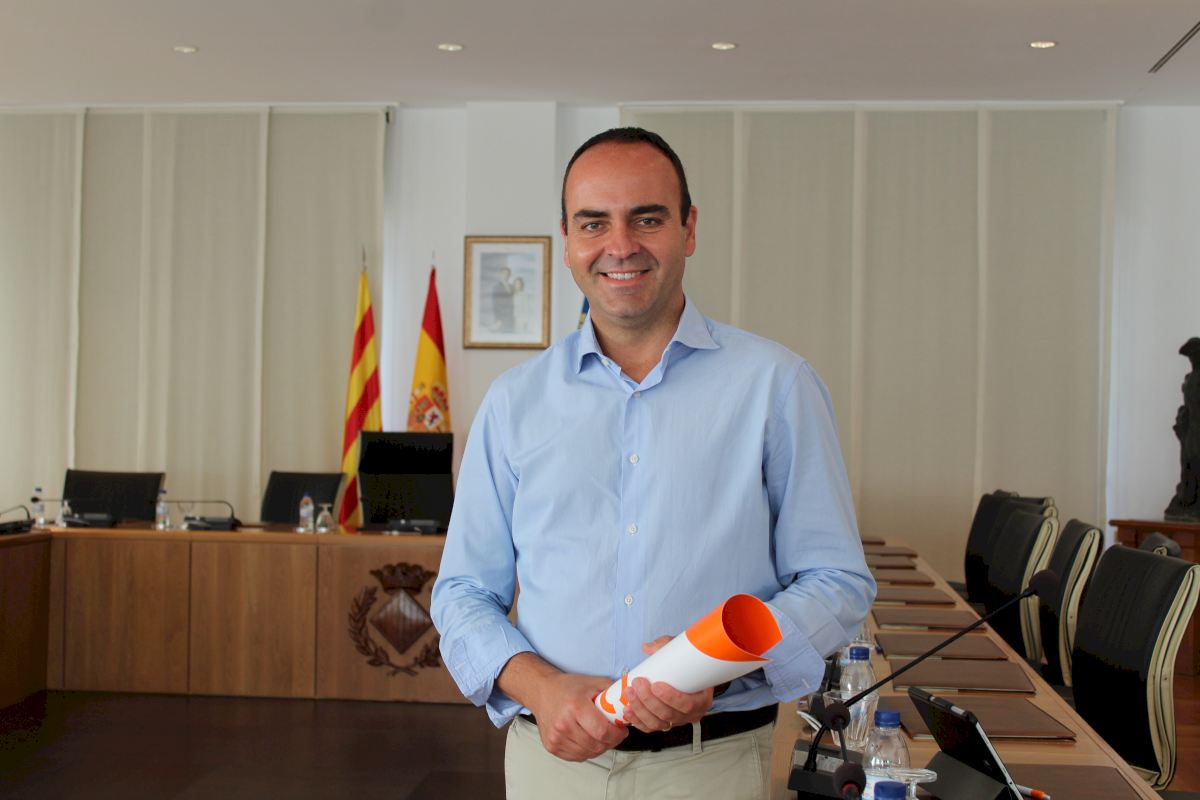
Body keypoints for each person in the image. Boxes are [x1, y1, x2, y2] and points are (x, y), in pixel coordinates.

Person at [431, 127, 875, 800]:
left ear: (689, 229)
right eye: (593, 223)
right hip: (551, 766)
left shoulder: (776, 386)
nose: (620, 245)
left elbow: (836, 580)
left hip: (714, 766)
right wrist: (541, 687)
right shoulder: (513, 402)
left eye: (647, 219)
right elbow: (462, 593)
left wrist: (716, 666)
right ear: (567, 240)